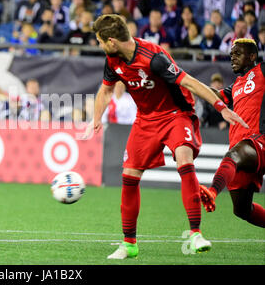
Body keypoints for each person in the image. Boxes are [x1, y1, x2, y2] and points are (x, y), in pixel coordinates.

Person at [86, 14, 248, 260]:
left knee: (184, 159)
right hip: (145, 119)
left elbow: (190, 82)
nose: (98, 46)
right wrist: (96, 118)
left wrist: (220, 107)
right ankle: (129, 244)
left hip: (175, 115)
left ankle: (195, 234)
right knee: (129, 176)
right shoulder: (113, 59)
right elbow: (106, 90)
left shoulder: (154, 58)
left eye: (99, 41)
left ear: (111, 41)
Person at [199, 39, 265, 228]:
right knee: (242, 209)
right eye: (231, 55)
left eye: (237, 54)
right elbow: (215, 96)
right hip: (242, 150)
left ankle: (212, 192)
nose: (232, 58)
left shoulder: (262, 71)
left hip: (259, 140)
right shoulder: (236, 85)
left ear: (252, 56)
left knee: (235, 153)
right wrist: (187, 83)